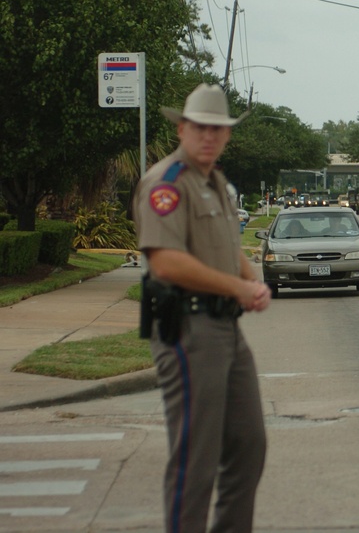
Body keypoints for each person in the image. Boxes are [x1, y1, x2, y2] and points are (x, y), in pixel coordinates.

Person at [132, 83, 271, 533]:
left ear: (227, 134)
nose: (208, 137)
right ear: (182, 128)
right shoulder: (166, 183)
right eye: (200, 127)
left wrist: (251, 279)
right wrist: (236, 285)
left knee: (248, 446)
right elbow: (166, 261)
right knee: (196, 458)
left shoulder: (216, 183)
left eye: (218, 129)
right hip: (189, 329)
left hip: (226, 328)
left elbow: (226, 245)